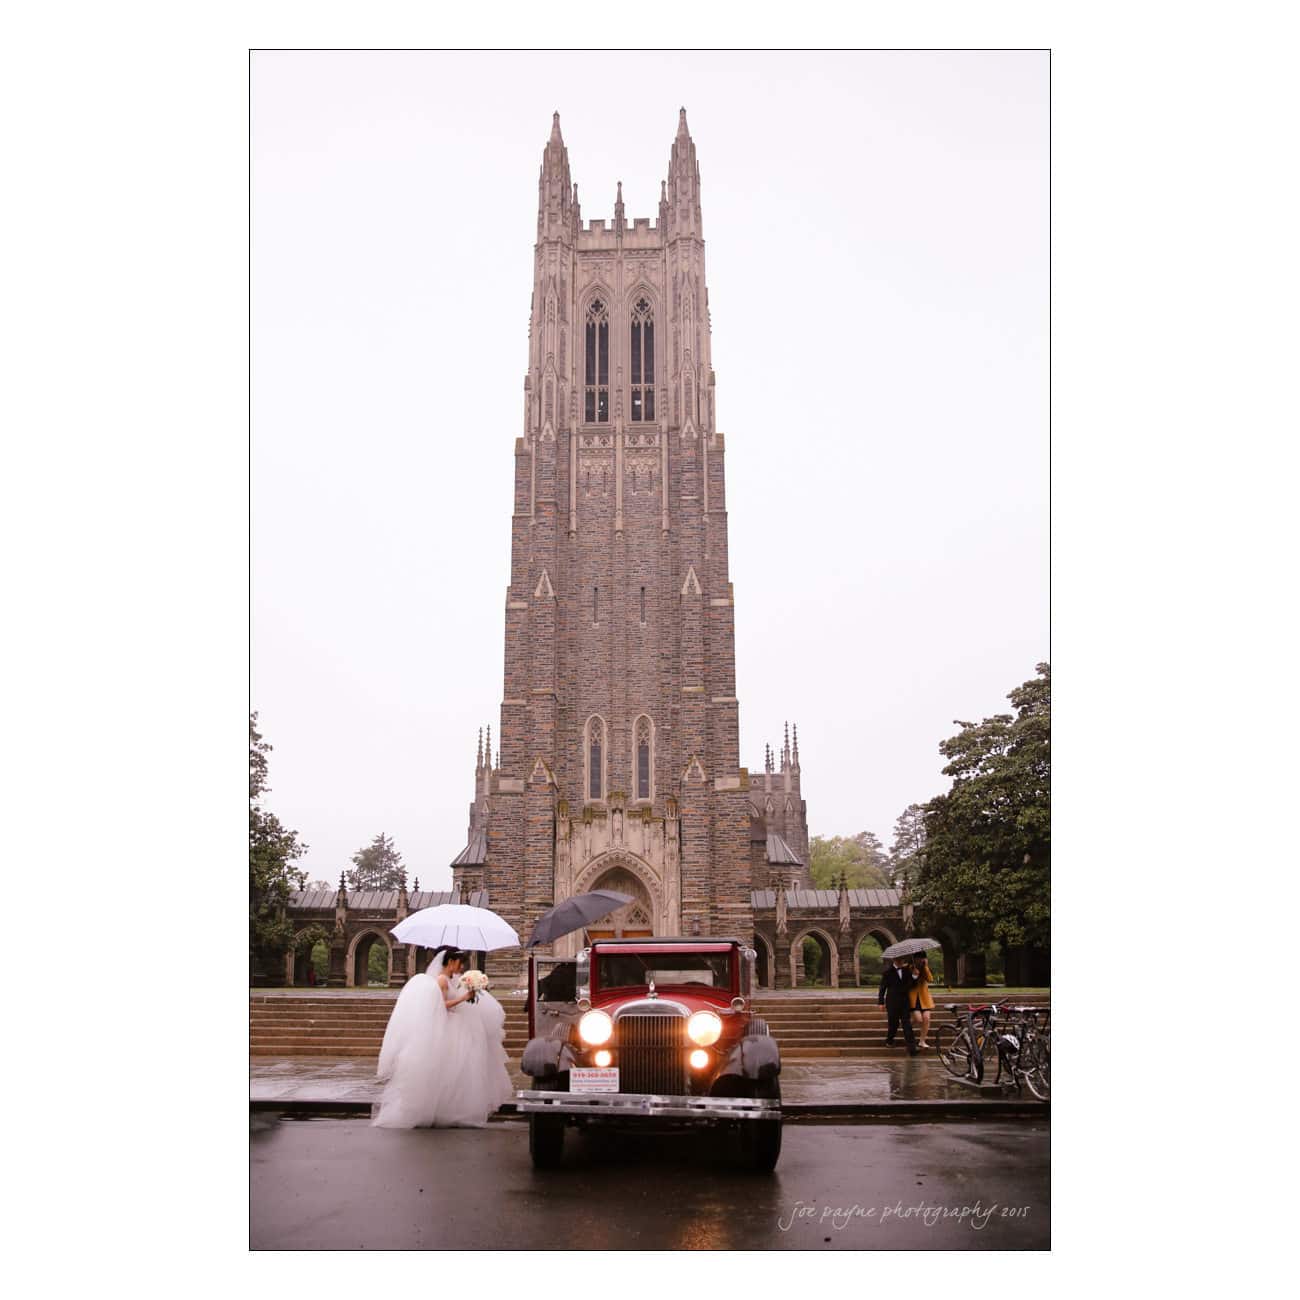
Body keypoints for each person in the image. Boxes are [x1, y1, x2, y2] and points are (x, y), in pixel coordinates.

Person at [372, 945, 513, 1128]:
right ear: (451, 962)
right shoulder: (441, 980)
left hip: (457, 1026)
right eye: (460, 963)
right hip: (448, 1028)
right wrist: (464, 998)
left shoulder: (451, 980)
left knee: (457, 1072)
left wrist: (472, 991)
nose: (462, 967)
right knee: (448, 1071)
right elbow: (443, 1005)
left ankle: (453, 1109)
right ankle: (440, 1110)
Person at [878, 956, 919, 1055]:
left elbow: (912, 985)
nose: (901, 961)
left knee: (907, 1024)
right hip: (892, 1002)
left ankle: (912, 1048)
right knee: (893, 1023)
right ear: (894, 960)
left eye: (902, 959)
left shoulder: (907, 971)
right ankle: (889, 1040)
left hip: (905, 1001)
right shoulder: (887, 972)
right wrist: (881, 1002)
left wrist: (914, 977)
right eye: (898, 960)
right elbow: (882, 988)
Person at [908, 953, 935, 1049]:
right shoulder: (908, 968)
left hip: (924, 998)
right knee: (918, 1019)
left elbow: (930, 979)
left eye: (923, 958)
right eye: (919, 958)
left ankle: (922, 1041)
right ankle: (906, 1026)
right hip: (913, 998)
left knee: (926, 1018)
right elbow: (906, 983)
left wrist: (926, 967)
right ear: (914, 959)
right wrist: (914, 976)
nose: (921, 960)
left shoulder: (924, 968)